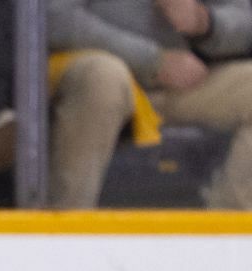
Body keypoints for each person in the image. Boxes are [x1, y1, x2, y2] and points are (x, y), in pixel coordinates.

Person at [49, 0, 252, 209]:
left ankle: (227, 232)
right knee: (104, 77)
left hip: (180, 82)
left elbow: (244, 22)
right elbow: (52, 18)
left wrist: (205, 22)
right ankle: (65, 227)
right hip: (89, 72)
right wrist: (151, 60)